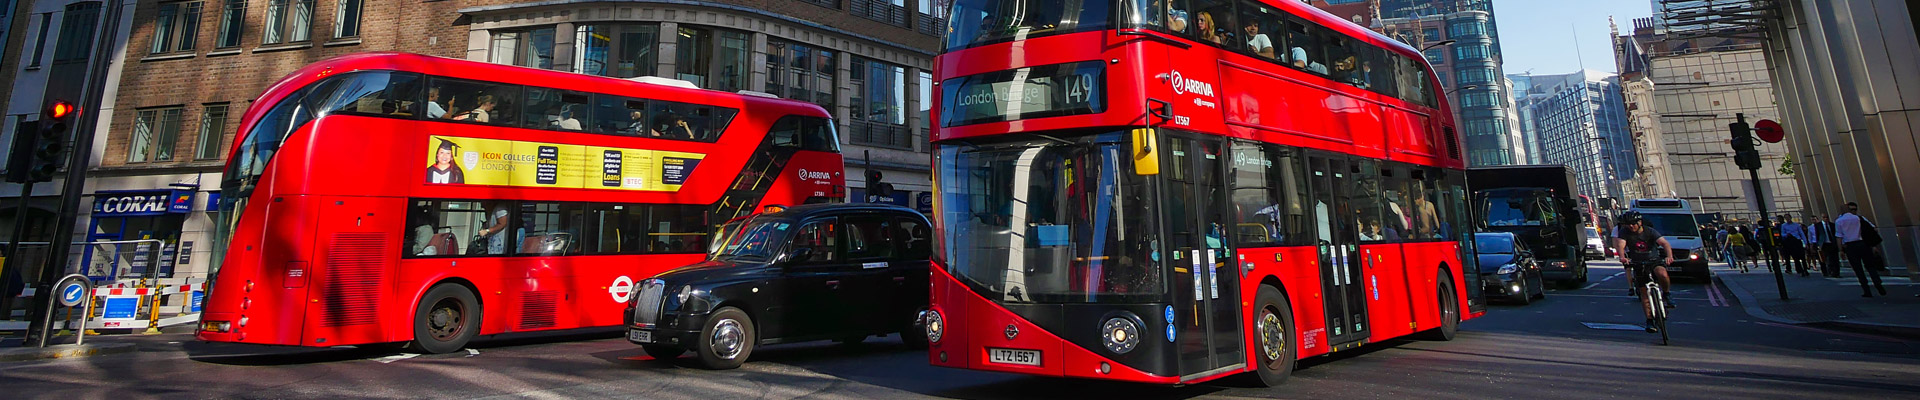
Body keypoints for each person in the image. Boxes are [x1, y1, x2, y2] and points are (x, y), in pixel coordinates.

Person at [1613, 211, 1675, 332]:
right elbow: (1621, 245)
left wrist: (1669, 256)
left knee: (1662, 274)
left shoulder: (1650, 231)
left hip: (1654, 260)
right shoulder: (1624, 232)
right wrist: (1622, 257)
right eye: (1628, 224)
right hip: (1638, 262)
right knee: (1644, 292)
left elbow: (1664, 243)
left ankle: (1667, 294)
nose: (1631, 226)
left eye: (1633, 223)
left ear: (1640, 222)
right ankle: (1649, 320)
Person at [1834, 202, 1887, 297]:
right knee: (1870, 265)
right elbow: (1872, 229)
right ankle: (1877, 282)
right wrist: (1872, 245)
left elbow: (1839, 236)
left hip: (1850, 246)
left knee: (1858, 268)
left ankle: (1866, 290)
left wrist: (1840, 250)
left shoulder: (1839, 221)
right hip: (1863, 244)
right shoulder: (1858, 218)